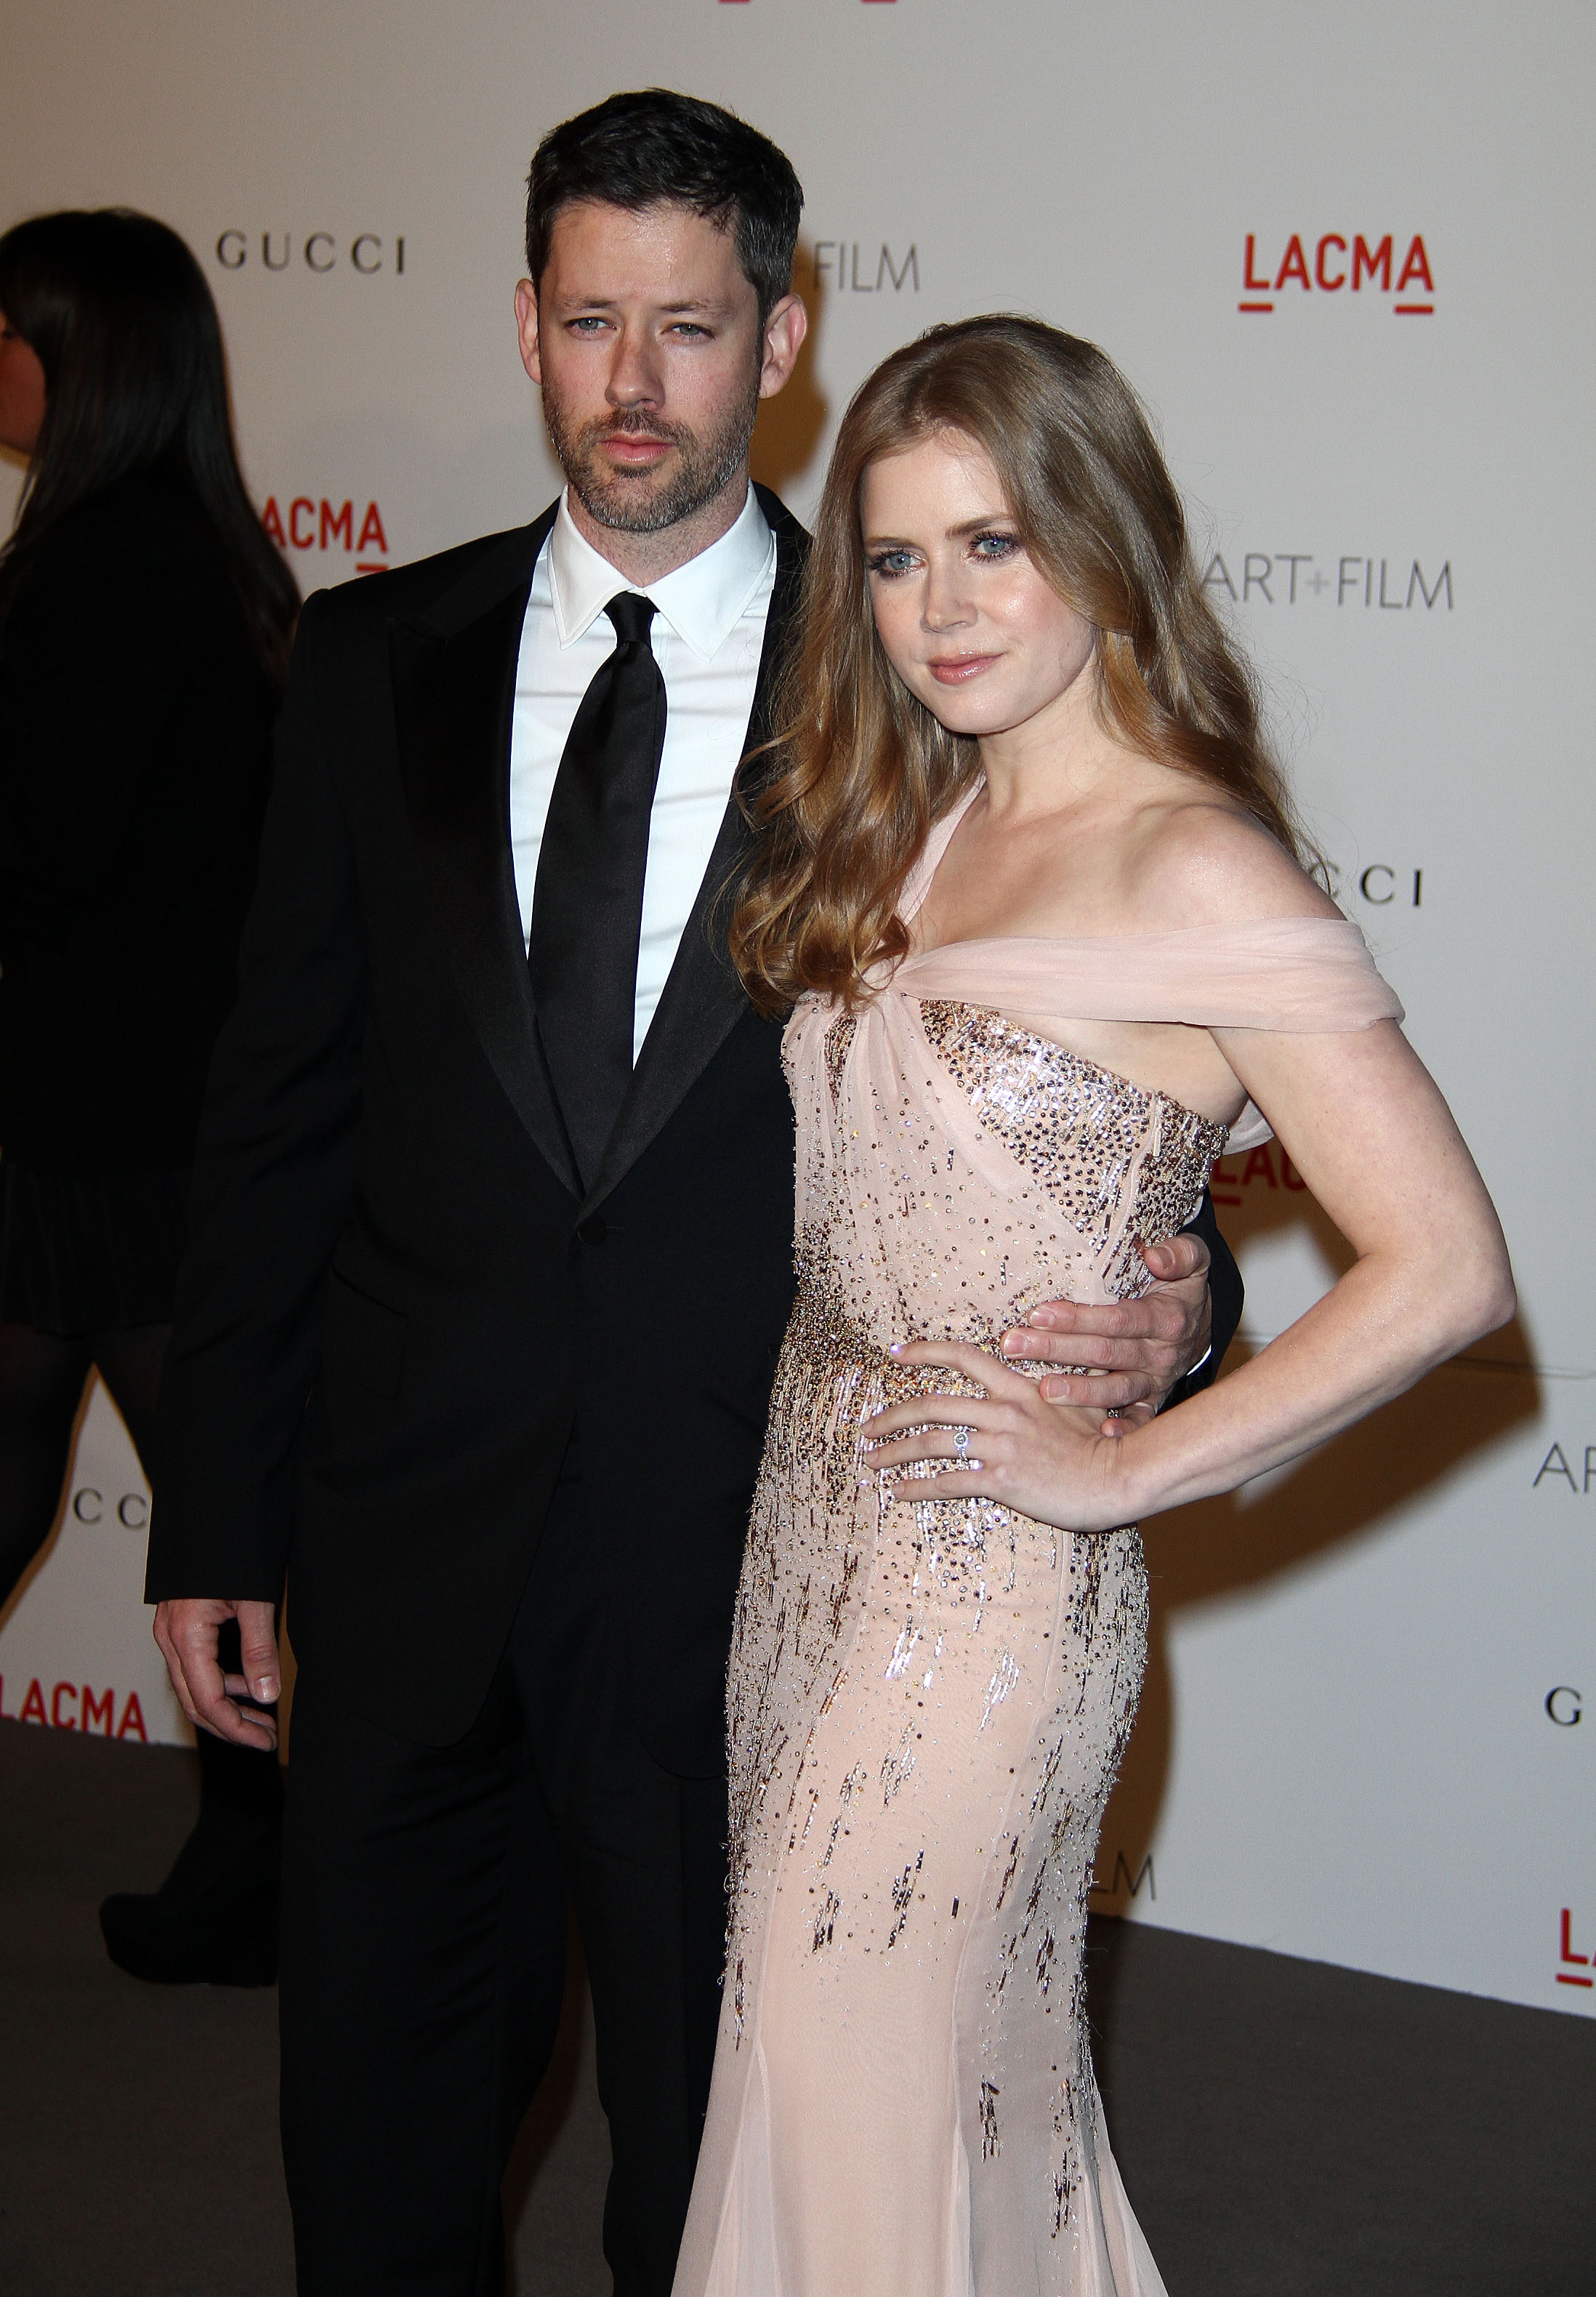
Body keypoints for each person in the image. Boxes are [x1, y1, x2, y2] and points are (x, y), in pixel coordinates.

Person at [145, 97, 1238, 2297]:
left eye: (690, 327)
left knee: (718, 2170)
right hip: (402, 1535)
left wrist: (1184, 1297)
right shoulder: (368, 661)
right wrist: (215, 1512)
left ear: (782, 340)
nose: (632, 382)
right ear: (525, 328)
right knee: (374, 2137)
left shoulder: (922, 682)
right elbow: (276, 1117)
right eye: (589, 324)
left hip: (761, 1563)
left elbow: (1087, 1071)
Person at [672, 314, 1515, 2296]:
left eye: (995, 544)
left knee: (859, 2076)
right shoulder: (910, 816)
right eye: (896, 558)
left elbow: (1446, 1266)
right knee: (868, 2090)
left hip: (989, 1597)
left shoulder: (1193, 863)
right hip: (804, 1536)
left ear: (1102, 538)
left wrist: (1129, 1472)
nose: (943, 608)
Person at [0, 209, 299, 1985]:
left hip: (115, 1119)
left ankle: (264, 1855)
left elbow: (49, 852)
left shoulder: (111, 571)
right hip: (131, 1108)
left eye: (9, 329)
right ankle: (257, 1853)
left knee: (211, 1490)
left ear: (83, 356)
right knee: (174, 1474)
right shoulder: (182, 547)